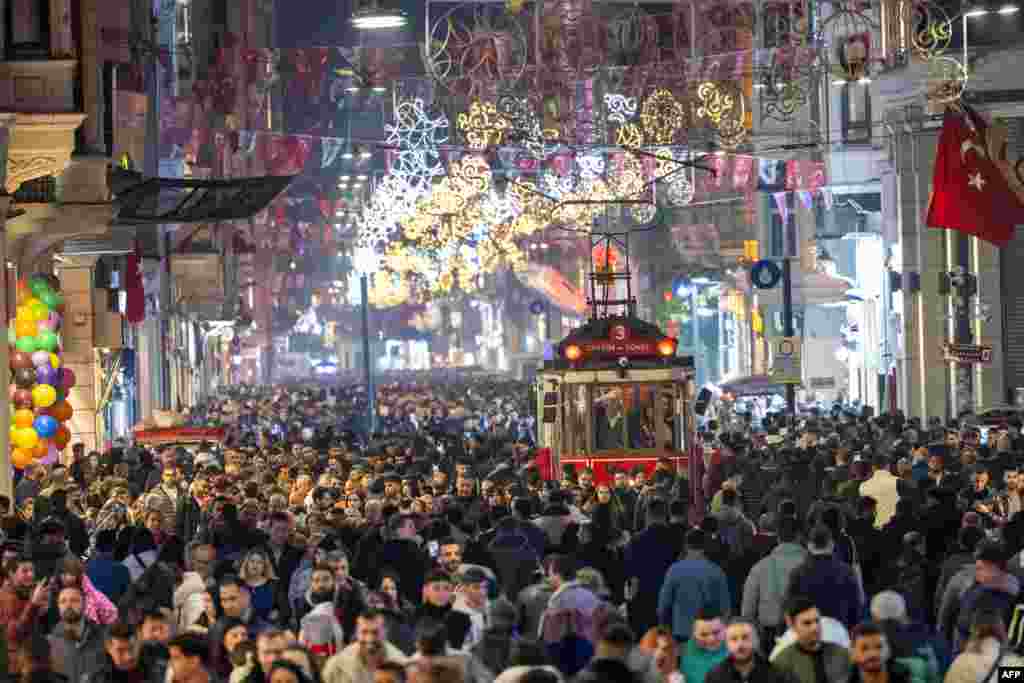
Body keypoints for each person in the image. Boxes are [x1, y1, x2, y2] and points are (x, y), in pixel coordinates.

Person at [658, 529, 732, 644]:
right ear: (705, 545)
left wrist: (662, 628)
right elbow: (726, 609)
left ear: (686, 546)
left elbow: (663, 604)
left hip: (681, 632)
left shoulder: (675, 570)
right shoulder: (716, 571)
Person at [771, 596, 851, 683]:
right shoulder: (782, 663)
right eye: (807, 623)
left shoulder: (842, 654)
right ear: (791, 625)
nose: (815, 628)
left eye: (817, 621)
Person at [322, 610, 409, 683]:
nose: (370, 639)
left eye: (375, 632)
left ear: (385, 632)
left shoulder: (402, 663)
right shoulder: (336, 666)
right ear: (356, 634)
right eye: (364, 632)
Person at [706, 618, 789, 683]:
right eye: (734, 639)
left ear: (756, 641)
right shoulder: (715, 677)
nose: (740, 644)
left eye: (745, 638)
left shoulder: (776, 675)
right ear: (726, 643)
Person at [679, 611, 728, 683]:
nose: (711, 639)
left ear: (725, 629)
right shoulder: (679, 653)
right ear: (694, 634)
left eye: (716, 632)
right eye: (704, 634)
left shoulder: (738, 651)